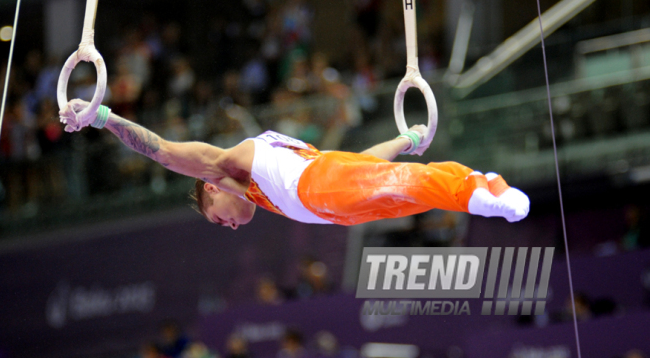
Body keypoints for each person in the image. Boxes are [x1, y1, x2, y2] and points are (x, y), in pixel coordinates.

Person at [59, 99, 530, 229]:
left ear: (212, 188)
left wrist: (101, 116)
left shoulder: (230, 166)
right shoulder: (272, 179)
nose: (229, 225)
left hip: (317, 190)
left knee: (415, 181)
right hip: (335, 205)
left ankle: (481, 190)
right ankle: (480, 188)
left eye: (217, 217)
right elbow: (360, 166)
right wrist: (404, 139)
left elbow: (160, 149)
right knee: (403, 187)